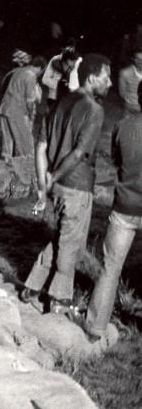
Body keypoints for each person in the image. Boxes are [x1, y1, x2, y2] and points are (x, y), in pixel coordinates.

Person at [21, 54, 112, 314]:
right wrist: (56, 175)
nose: (110, 84)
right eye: (106, 78)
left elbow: (41, 147)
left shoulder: (60, 103)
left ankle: (33, 285)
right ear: (92, 78)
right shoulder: (95, 110)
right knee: (71, 245)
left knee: (63, 237)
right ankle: (58, 301)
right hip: (76, 185)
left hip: (57, 187)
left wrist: (44, 183)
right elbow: (80, 153)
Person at [74, 82, 142, 341]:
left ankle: (94, 327)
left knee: (111, 268)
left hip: (125, 205)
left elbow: (117, 160)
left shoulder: (123, 125)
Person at [0, 56, 46, 159]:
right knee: (26, 146)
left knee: (7, 145)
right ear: (39, 68)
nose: (40, 74)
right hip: (16, 112)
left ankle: (5, 168)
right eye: (41, 72)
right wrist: (30, 115)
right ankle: (26, 172)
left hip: (5, 108)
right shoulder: (31, 77)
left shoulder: (18, 71)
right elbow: (30, 102)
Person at [117, 47, 142, 116]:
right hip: (131, 108)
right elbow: (122, 92)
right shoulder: (125, 73)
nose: (141, 62)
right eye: (138, 59)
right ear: (133, 59)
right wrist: (131, 103)